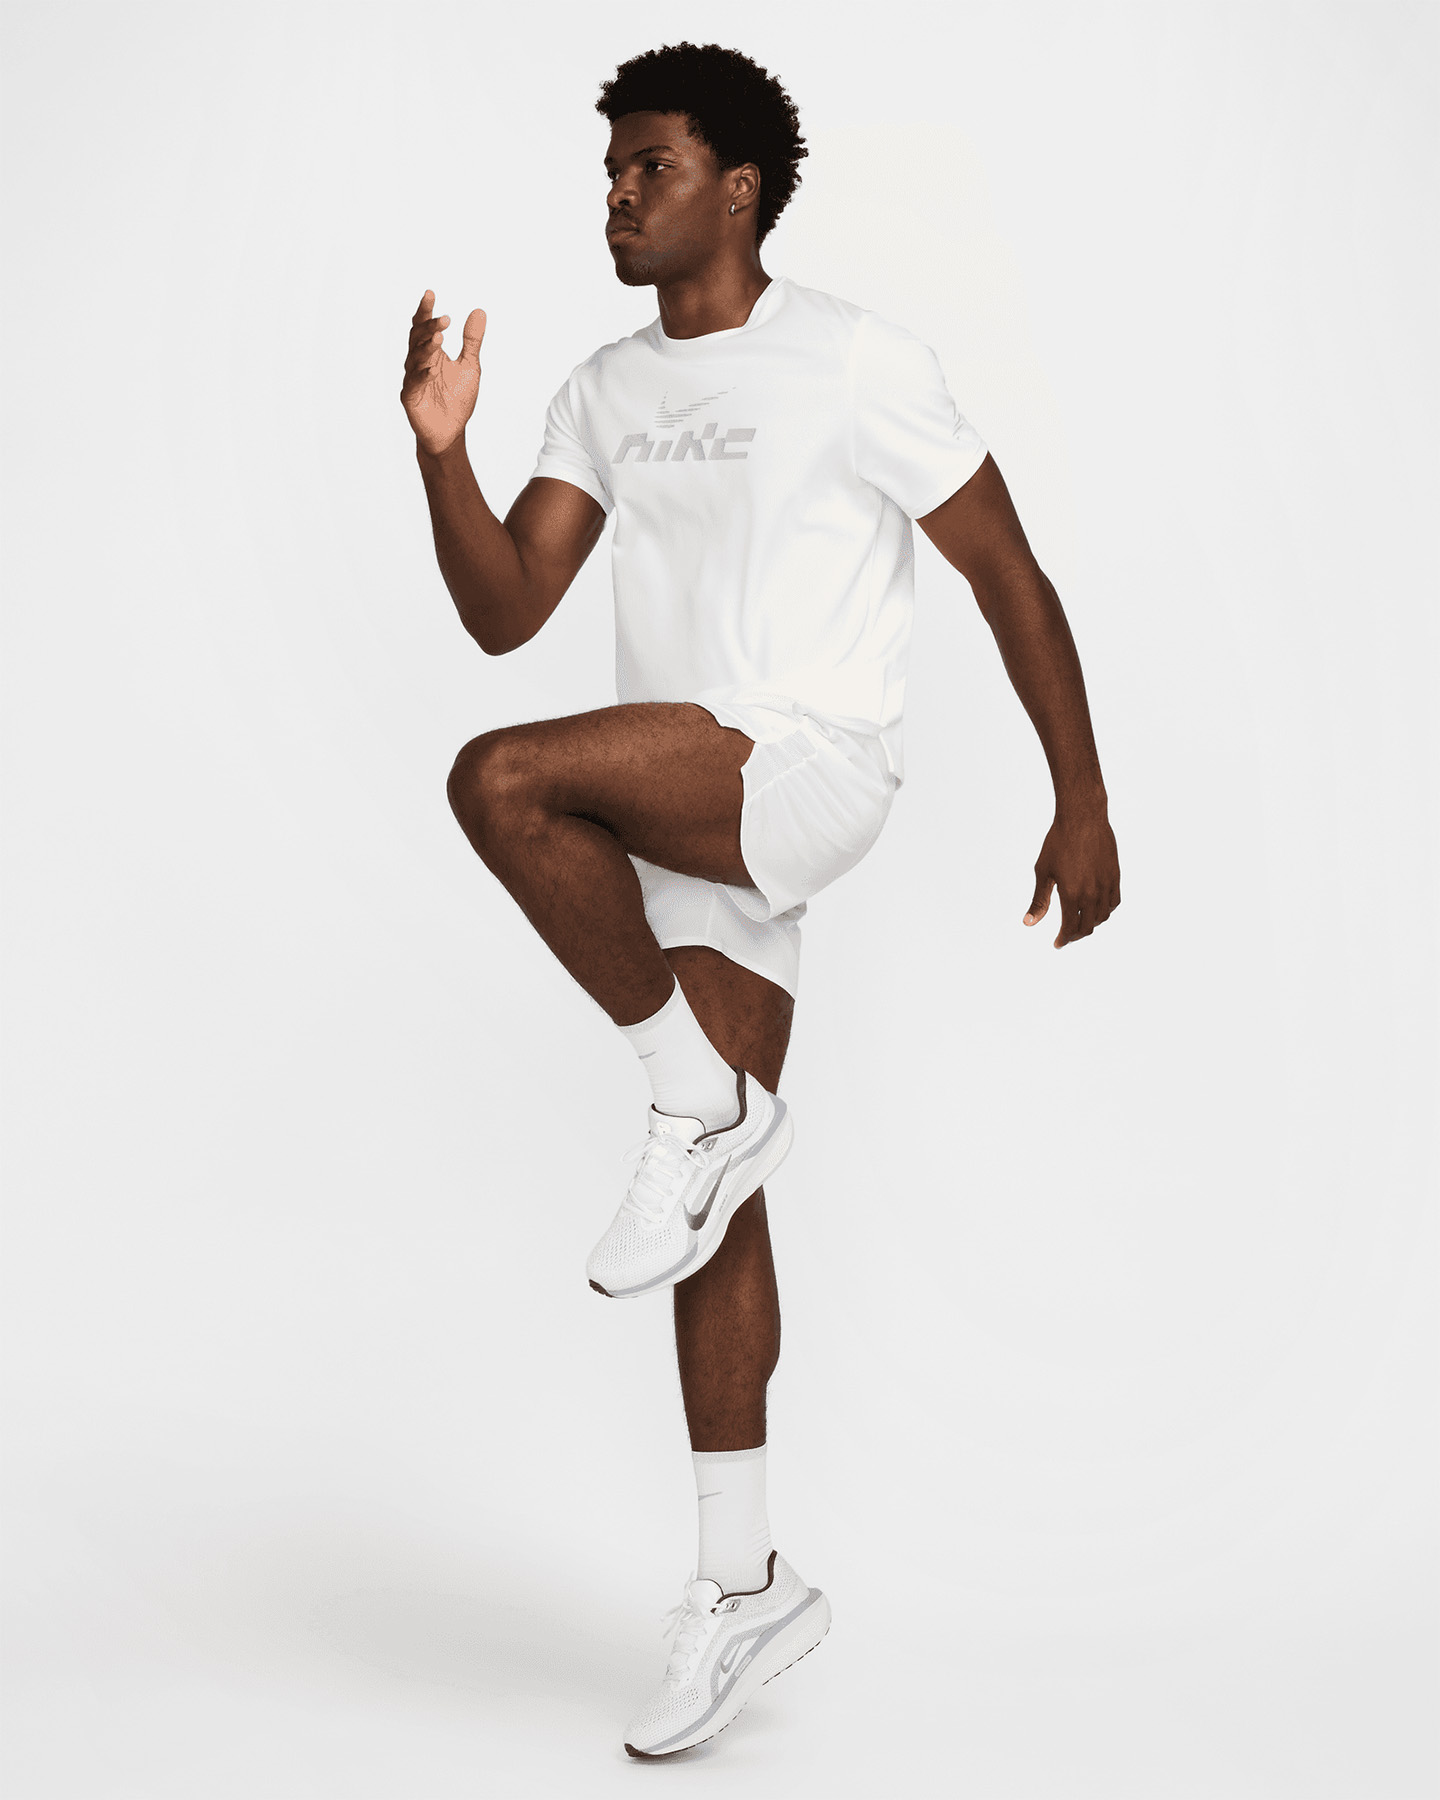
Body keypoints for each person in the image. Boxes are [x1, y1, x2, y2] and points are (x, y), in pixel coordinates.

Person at [399, 39, 1120, 1761]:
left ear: (737, 189)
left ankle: (696, 1101)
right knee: (713, 1214)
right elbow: (507, 609)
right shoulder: (602, 390)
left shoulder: (857, 358)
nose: (617, 196)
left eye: (649, 166)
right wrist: (442, 450)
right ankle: (743, 1585)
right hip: (683, 815)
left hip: (804, 763)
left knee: (501, 779)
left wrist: (1082, 798)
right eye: (608, 170)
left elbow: (1007, 574)